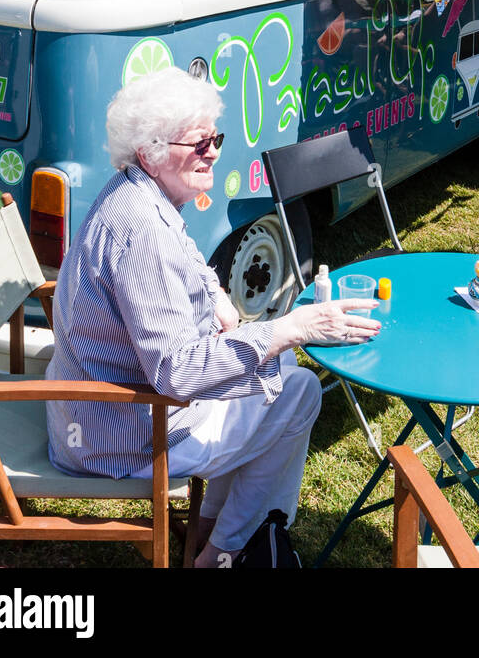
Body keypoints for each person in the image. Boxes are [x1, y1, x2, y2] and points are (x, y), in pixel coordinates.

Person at [46, 68, 379, 568]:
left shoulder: (136, 192)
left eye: (215, 138)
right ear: (149, 152)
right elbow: (177, 373)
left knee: (280, 376)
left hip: (101, 408)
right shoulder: (140, 229)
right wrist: (291, 328)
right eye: (198, 143)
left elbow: (187, 259)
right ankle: (219, 554)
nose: (214, 152)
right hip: (118, 434)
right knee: (300, 392)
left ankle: (210, 533)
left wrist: (217, 295)